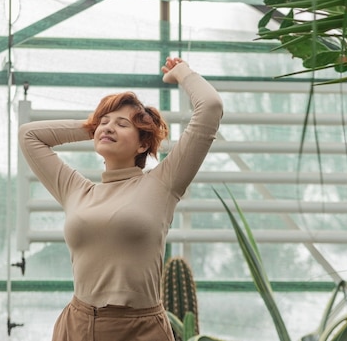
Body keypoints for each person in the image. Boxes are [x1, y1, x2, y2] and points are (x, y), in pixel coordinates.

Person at [18, 57, 223, 341]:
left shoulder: (163, 184)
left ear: (143, 143)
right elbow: (29, 136)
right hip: (76, 326)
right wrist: (93, 125)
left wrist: (183, 73)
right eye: (104, 123)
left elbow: (210, 108)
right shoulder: (77, 190)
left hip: (140, 330)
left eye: (122, 124)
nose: (108, 128)